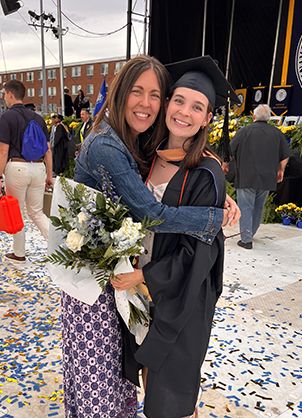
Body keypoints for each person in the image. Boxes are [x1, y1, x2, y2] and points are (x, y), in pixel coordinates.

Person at [63, 55, 240, 418]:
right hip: (124, 289)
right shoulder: (141, 149)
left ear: (208, 118)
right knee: (133, 378)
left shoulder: (203, 171)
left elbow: (198, 255)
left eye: (197, 107)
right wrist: (214, 213)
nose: (184, 112)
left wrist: (217, 198)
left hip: (177, 294)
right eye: (178, 100)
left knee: (169, 397)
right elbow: (149, 212)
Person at [0, 80, 53, 262]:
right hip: (38, 167)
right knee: (37, 212)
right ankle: (61, 247)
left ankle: (19, 253)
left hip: (17, 167)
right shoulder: (38, 118)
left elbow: (3, 150)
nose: (4, 98)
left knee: (17, 212)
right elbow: (48, 150)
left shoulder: (6, 117)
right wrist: (49, 175)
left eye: (4, 94)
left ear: (10, 94)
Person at [230, 104, 290, 249]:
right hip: (267, 177)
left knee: (246, 207)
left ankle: (246, 239)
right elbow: (286, 154)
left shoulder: (244, 131)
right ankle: (251, 233)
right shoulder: (277, 133)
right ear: (269, 118)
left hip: (247, 176)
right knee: (258, 207)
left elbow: (230, 150)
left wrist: (225, 165)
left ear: (254, 116)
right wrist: (281, 170)